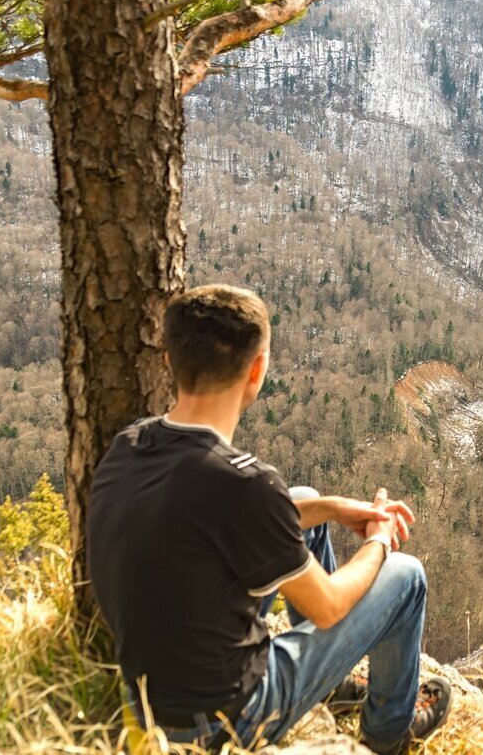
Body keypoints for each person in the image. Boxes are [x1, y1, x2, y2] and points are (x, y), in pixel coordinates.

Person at [87, 284, 451, 754]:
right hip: (223, 721)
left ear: (168, 362)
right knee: (407, 576)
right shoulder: (245, 485)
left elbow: (223, 522)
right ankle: (388, 734)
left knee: (303, 500)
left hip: (151, 702)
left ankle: (325, 685)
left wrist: (335, 508)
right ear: (257, 370)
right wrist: (378, 540)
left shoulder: (129, 445)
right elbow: (328, 606)